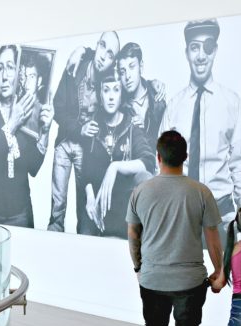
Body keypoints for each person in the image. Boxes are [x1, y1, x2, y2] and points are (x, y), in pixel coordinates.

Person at [127, 130, 224, 326]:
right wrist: (219, 271)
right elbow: (213, 239)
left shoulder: (140, 191)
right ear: (186, 157)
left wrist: (138, 268)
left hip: (153, 277)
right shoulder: (201, 192)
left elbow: (133, 235)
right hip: (190, 280)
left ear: (157, 158)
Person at [159, 19, 241, 226]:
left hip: (221, 216)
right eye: (195, 48)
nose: (201, 56)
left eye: (207, 47)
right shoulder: (173, 107)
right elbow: (161, 167)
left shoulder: (231, 102)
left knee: (220, 260)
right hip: (179, 216)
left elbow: (240, 165)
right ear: (186, 53)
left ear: (216, 50)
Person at [49, 31, 120, 232]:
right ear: (96, 45)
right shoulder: (76, 65)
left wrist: (153, 86)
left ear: (113, 61)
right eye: (102, 47)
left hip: (85, 152)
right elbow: (58, 108)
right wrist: (80, 129)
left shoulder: (109, 82)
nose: (104, 56)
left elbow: (131, 86)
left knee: (85, 214)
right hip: (64, 143)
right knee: (57, 211)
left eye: (111, 54)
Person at [0, 45, 52, 227]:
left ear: (19, 73)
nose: (4, 76)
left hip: (21, 213)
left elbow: (33, 168)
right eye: (0, 68)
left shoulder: (28, 115)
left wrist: (45, 131)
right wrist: (12, 124)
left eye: (10, 67)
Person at [81, 65, 155, 238]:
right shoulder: (93, 127)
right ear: (100, 95)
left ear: (122, 94)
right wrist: (90, 198)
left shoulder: (131, 126)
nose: (111, 96)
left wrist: (115, 166)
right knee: (84, 236)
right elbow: (86, 172)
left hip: (124, 211)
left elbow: (149, 161)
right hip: (99, 209)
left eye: (116, 90)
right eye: (106, 91)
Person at [117, 42, 167, 144]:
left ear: (141, 66)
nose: (127, 76)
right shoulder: (118, 107)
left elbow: (166, 146)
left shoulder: (157, 101)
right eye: (123, 72)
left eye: (132, 67)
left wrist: (144, 134)